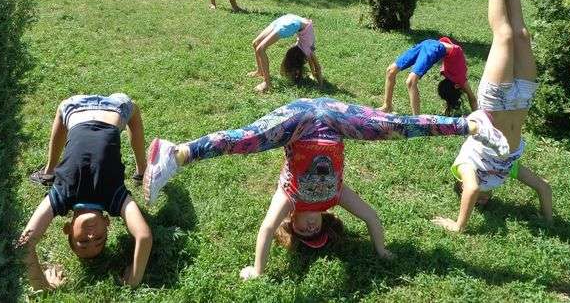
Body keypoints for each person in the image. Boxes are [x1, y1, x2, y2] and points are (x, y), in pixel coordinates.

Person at [142, 97, 510, 279]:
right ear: (326, 222)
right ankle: (470, 124)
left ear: (294, 224)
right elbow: (372, 219)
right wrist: (381, 252)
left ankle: (176, 153)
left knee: (247, 139)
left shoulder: (289, 197)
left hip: (299, 121)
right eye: (315, 231)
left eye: (303, 232)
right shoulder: (337, 197)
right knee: (395, 125)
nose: (309, 228)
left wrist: (258, 270)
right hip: (336, 119)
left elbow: (267, 230)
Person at [432, 0, 553, 233]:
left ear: (459, 185)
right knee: (521, 35)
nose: (484, 200)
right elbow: (543, 187)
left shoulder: (466, 168)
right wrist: (548, 220)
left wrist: (458, 225)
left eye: (477, 202)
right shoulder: (503, 171)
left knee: (504, 36)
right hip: (522, 100)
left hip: (496, 102)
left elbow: (472, 190)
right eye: (487, 203)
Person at [18, 94, 152, 290]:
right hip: (115, 108)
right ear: (107, 223)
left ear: (68, 229)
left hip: (75, 107)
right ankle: (142, 169)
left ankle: (49, 171)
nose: (91, 237)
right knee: (134, 111)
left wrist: (43, 286)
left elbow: (24, 245)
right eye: (99, 239)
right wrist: (133, 278)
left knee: (62, 109)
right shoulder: (115, 198)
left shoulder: (61, 196)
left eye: (82, 242)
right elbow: (144, 236)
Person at [380, 37, 477, 115]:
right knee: (390, 71)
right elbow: (472, 98)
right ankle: (387, 106)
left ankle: (417, 121)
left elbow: (472, 98)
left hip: (433, 46)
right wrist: (478, 117)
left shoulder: (456, 79)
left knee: (410, 81)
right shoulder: (460, 80)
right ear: (456, 86)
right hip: (432, 46)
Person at [247, 14, 323, 93]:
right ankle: (265, 79)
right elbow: (317, 67)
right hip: (292, 23)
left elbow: (313, 65)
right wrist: (320, 84)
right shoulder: (308, 51)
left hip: (291, 18)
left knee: (257, 45)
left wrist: (314, 76)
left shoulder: (304, 49)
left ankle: (266, 80)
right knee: (259, 47)